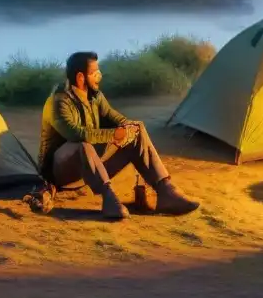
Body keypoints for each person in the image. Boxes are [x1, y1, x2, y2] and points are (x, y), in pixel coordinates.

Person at [37, 51, 200, 221]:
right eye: (95, 73)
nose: (99, 76)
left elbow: (115, 118)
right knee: (82, 145)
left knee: (137, 128)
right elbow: (75, 134)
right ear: (80, 77)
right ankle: (108, 198)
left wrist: (128, 129)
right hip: (60, 174)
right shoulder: (58, 102)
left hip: (90, 170)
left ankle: (165, 191)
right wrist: (114, 134)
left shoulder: (95, 97)